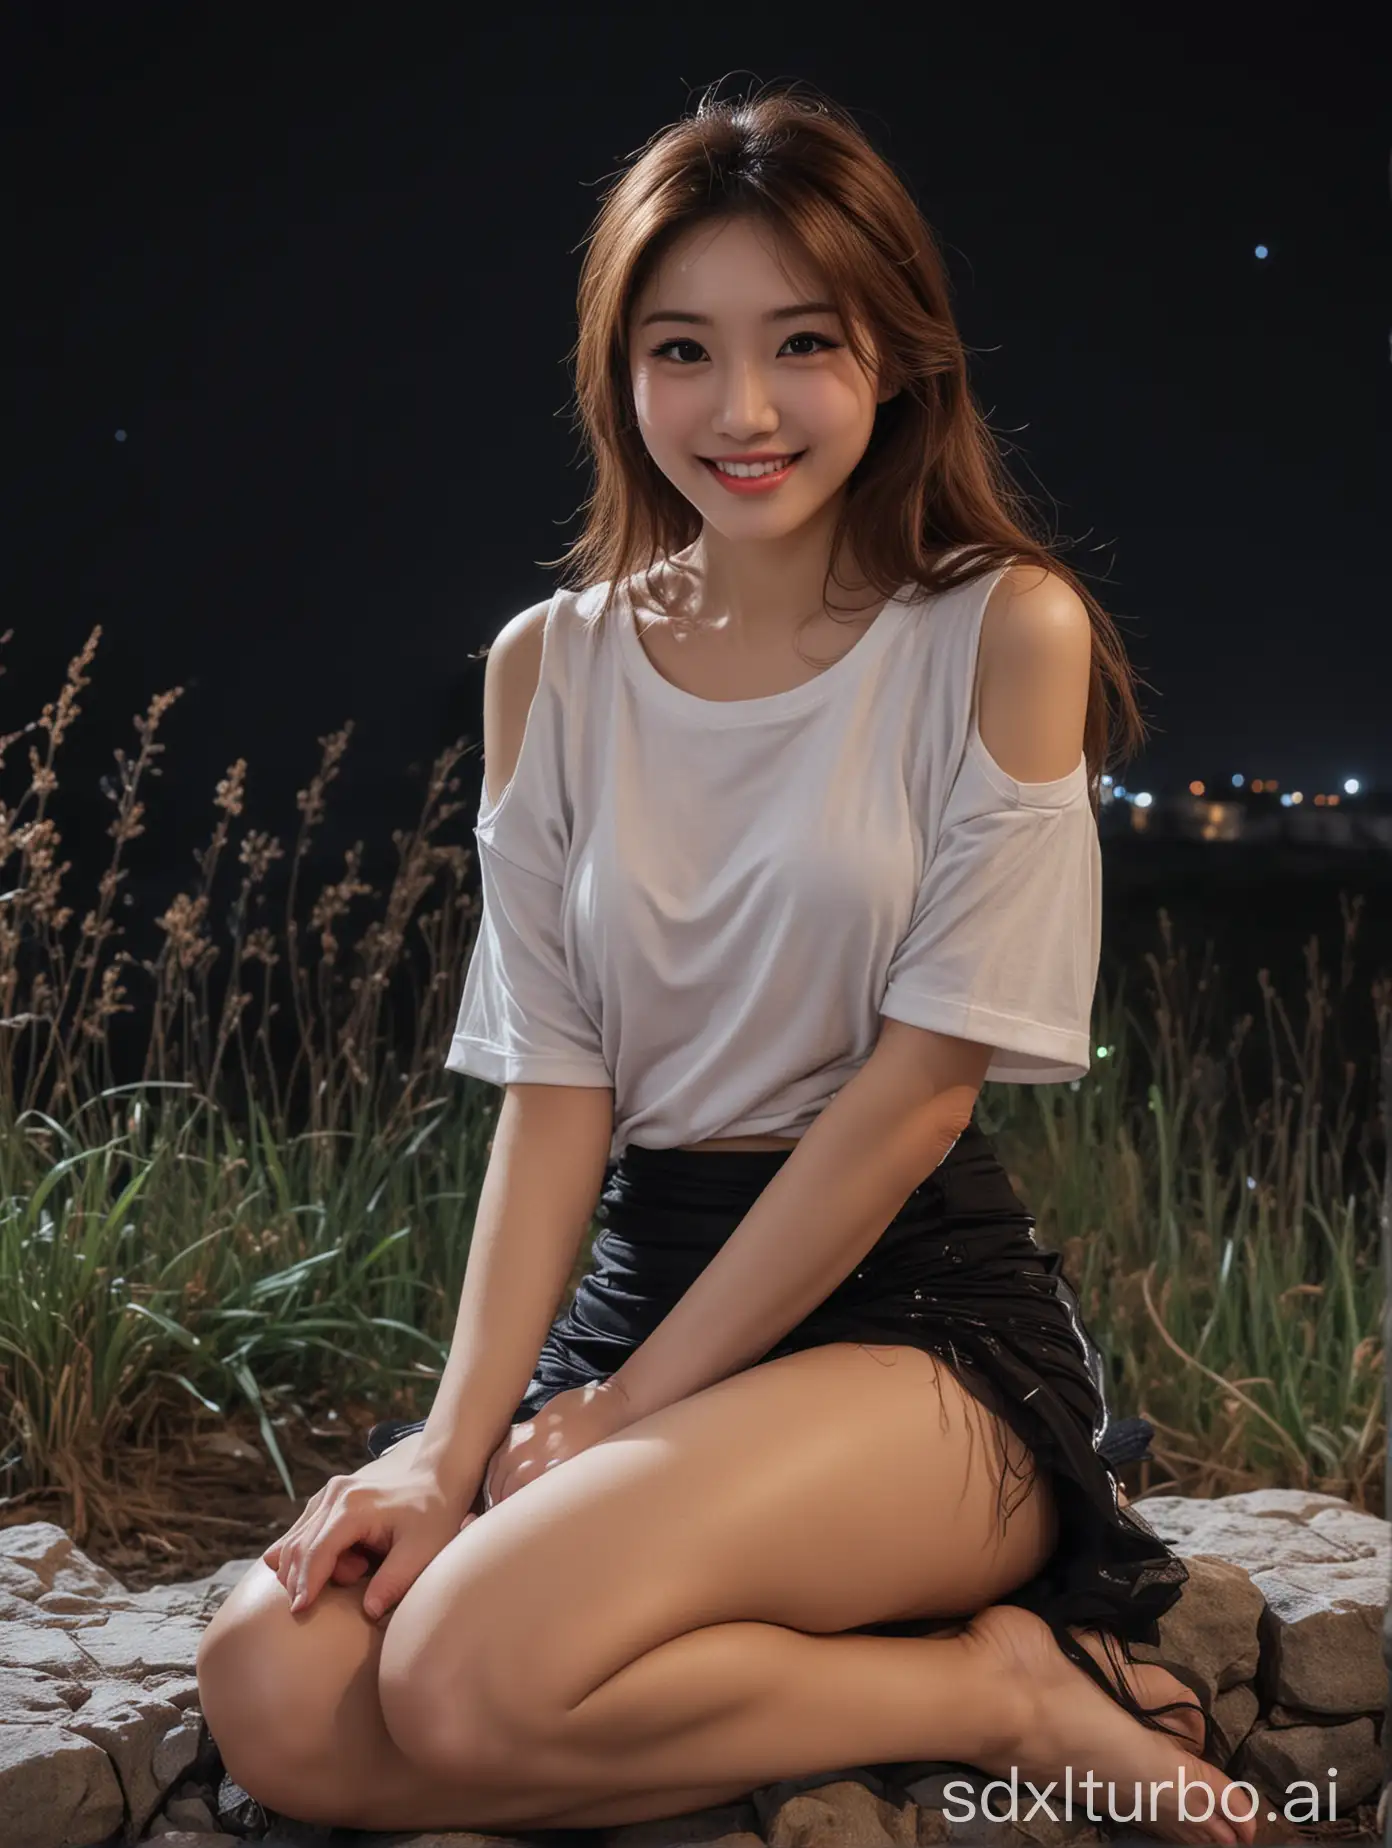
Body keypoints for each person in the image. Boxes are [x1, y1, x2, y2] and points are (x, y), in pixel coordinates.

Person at [195, 83, 1260, 1847]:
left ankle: (992, 1686)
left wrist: (631, 1409)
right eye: (682, 350)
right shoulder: (552, 664)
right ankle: (871, 1677)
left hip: (915, 1324)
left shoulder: (998, 631)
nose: (742, 410)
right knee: (279, 1688)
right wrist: (442, 1452)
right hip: (641, 1283)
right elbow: (558, 1097)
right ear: (619, 375)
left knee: (461, 1674)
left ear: (897, 361)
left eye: (803, 345)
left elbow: (917, 1102)